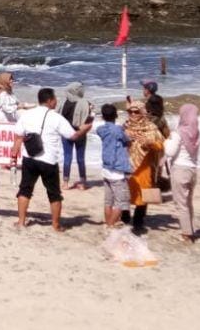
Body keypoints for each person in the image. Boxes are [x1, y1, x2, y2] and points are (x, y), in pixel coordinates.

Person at [10, 88, 93, 231]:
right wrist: (85, 128)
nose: (57, 101)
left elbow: (18, 135)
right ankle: (55, 225)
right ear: (49, 101)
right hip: (48, 160)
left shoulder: (27, 114)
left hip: (29, 157)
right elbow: (72, 136)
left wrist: (14, 154)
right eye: (55, 99)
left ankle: (21, 222)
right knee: (54, 193)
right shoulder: (57, 118)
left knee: (25, 190)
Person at [122, 99, 164, 234]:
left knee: (143, 192)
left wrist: (148, 143)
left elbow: (161, 145)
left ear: (142, 111)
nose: (133, 114)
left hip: (144, 167)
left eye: (136, 111)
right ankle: (125, 217)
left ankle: (138, 220)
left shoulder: (151, 127)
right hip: (127, 165)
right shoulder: (125, 126)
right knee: (125, 193)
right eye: (130, 111)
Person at [165, 103, 200, 243]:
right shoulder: (196, 133)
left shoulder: (178, 133)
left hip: (180, 169)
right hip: (192, 169)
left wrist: (167, 141)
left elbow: (169, 152)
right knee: (188, 202)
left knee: (181, 203)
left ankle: (186, 234)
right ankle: (190, 229)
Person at [93, 104, 132, 228]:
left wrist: (121, 128)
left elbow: (113, 131)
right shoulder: (117, 130)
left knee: (108, 201)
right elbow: (127, 140)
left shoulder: (101, 129)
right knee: (121, 202)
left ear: (103, 116)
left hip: (106, 168)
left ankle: (108, 223)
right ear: (116, 115)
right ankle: (110, 225)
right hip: (117, 169)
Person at [58, 82, 94, 190]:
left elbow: (58, 117)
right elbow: (90, 118)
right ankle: (83, 183)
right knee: (81, 158)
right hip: (80, 133)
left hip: (66, 133)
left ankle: (65, 183)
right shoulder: (86, 103)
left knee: (67, 158)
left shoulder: (63, 103)